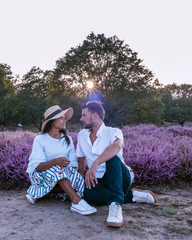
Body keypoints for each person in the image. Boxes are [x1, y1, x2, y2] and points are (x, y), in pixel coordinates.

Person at [76, 101, 157, 227]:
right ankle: (131, 195)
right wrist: (79, 180)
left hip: (120, 175)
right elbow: (80, 160)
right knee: (87, 195)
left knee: (111, 158)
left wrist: (96, 162)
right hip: (98, 179)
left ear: (95, 115)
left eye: (84, 115)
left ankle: (115, 207)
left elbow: (116, 146)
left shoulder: (113, 131)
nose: (81, 118)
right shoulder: (82, 135)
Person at [26, 105, 96, 216]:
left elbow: (73, 164)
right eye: (61, 118)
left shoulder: (67, 140)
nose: (65, 120)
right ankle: (76, 201)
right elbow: (37, 167)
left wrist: (72, 174)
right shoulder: (40, 140)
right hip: (40, 175)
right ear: (52, 122)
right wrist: (55, 162)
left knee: (77, 178)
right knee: (58, 169)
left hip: (61, 174)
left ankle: (37, 192)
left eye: (64, 118)